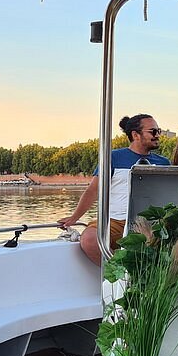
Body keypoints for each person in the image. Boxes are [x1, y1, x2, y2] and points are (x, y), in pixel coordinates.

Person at [58, 114, 171, 266]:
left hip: (150, 223)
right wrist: (75, 217)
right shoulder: (112, 158)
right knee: (89, 239)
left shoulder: (164, 163)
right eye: (153, 131)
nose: (158, 135)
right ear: (135, 135)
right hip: (116, 221)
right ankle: (120, 276)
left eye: (159, 131)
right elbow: (93, 190)